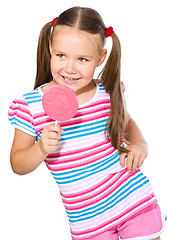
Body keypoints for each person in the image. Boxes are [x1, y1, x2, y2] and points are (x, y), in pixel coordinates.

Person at [8, 6, 166, 240]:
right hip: (87, 219)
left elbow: (128, 125)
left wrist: (140, 146)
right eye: (61, 55)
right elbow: (18, 164)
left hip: (132, 199)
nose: (69, 68)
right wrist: (41, 148)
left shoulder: (108, 91)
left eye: (82, 59)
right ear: (50, 48)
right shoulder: (30, 105)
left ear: (101, 58)